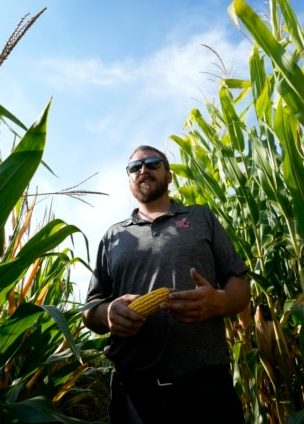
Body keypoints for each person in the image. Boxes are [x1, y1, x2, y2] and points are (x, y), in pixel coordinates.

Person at [82, 145, 251, 424]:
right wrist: (108, 313)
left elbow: (239, 283)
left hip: (205, 386)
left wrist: (219, 302)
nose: (143, 170)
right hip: (134, 391)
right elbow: (91, 308)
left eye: (152, 163)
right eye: (134, 168)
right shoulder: (114, 236)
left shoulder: (201, 218)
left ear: (169, 175)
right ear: (129, 180)